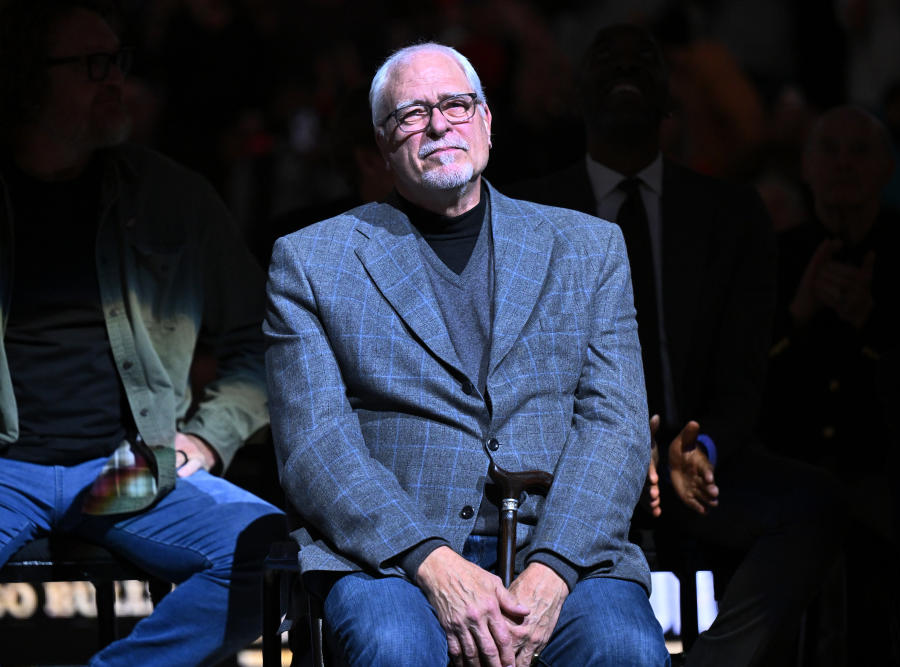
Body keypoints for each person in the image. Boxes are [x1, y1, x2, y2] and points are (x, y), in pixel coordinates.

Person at [264, 42, 670, 667]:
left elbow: (615, 427)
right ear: (381, 143)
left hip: (562, 548)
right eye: (412, 113)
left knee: (623, 648)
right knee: (393, 648)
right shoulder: (313, 261)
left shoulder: (588, 248)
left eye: (456, 104)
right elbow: (316, 443)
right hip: (393, 559)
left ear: (486, 122)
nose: (438, 124)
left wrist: (552, 571)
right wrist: (433, 563)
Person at [510, 24, 842, 666]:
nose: (627, 66)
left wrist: (700, 448)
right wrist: (616, 456)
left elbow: (744, 375)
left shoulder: (731, 212)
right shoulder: (528, 212)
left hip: (695, 469)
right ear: (577, 93)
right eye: (607, 56)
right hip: (569, 471)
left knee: (815, 504)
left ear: (671, 101)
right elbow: (519, 373)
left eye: (646, 59)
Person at [0, 1, 286, 664]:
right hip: (6, 468)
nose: (116, 81)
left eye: (119, 62)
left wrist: (207, 438)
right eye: (92, 65)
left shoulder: (170, 196)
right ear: (25, 77)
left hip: (128, 463)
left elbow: (267, 345)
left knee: (267, 555)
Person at [760, 104, 900, 664]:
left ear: (889, 167)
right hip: (792, 470)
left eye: (860, 150)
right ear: (805, 165)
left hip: (892, 480)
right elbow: (748, 377)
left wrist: (873, 326)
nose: (844, 163)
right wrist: (797, 317)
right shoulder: (773, 256)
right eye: (830, 149)